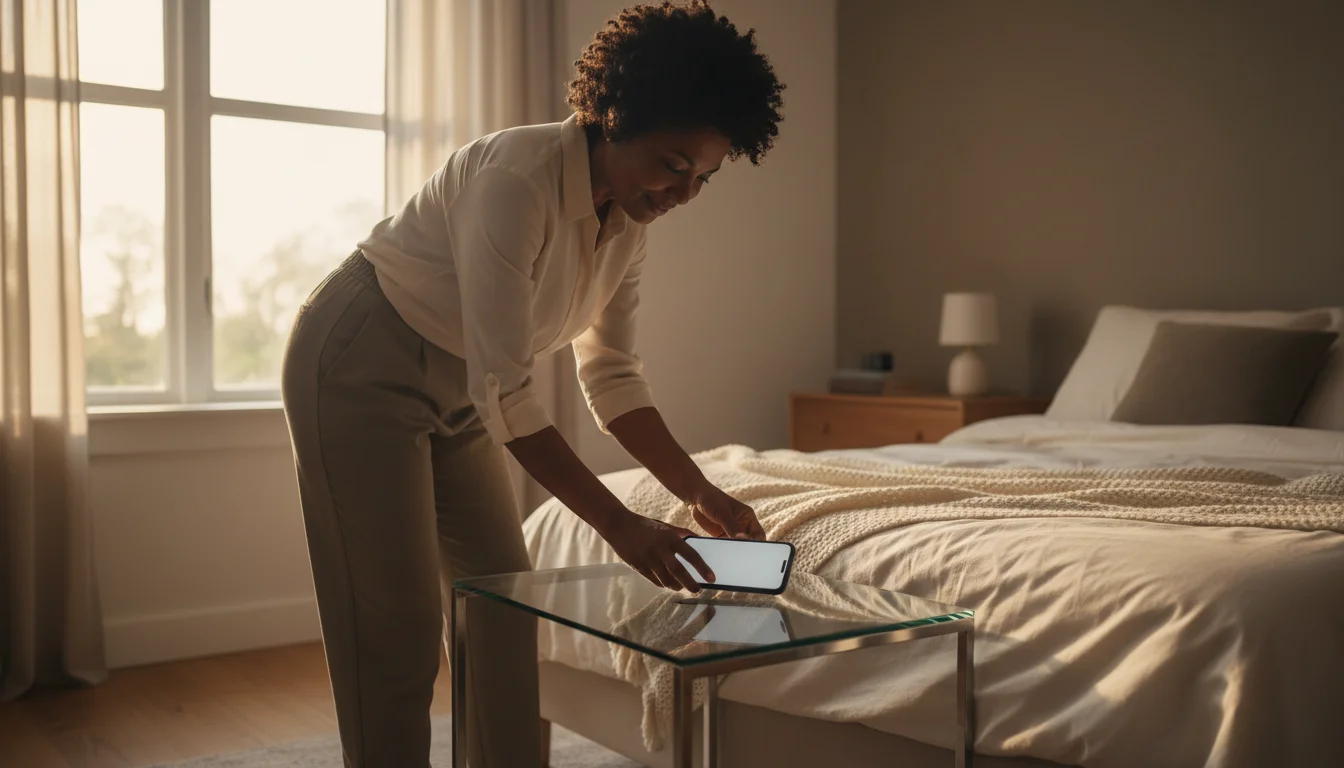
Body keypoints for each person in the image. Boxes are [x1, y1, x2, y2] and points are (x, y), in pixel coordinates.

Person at [280, 1, 785, 765]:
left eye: (704, 176)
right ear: (617, 116)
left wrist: (697, 492)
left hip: (467, 388)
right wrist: (623, 527)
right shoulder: (516, 179)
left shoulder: (630, 227)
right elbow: (510, 392)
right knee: (396, 629)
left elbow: (610, 374)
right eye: (674, 165)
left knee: (502, 611)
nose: (683, 193)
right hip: (361, 359)